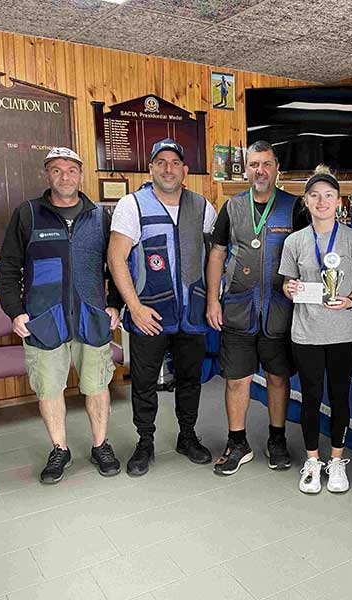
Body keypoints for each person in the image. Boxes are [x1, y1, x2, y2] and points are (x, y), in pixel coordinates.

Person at [0, 147, 123, 484]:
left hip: (91, 316)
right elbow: (8, 267)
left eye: (70, 170)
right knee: (49, 389)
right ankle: (59, 449)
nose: (64, 176)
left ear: (81, 174)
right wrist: (15, 311)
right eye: (56, 170)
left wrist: (115, 303)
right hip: (43, 319)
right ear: (47, 174)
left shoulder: (100, 216)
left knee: (96, 386)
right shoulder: (28, 215)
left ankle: (100, 445)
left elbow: (118, 265)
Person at [107, 138, 217, 477]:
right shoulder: (132, 205)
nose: (168, 168)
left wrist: (212, 299)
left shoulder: (203, 207)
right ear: (152, 168)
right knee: (143, 382)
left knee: (189, 380)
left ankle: (187, 436)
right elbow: (116, 258)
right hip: (149, 314)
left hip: (192, 314)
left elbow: (215, 256)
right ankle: (145, 442)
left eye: (174, 162)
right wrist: (134, 307)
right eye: (161, 162)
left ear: (185, 170)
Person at [205, 140, 308, 476]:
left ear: (277, 167)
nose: (260, 171)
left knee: (278, 379)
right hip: (238, 308)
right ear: (246, 169)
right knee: (237, 380)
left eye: (266, 164)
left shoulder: (295, 207)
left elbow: (309, 254)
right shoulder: (232, 207)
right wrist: (212, 300)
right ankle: (237, 442)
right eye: (254, 164)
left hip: (280, 311)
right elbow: (218, 253)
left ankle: (276, 439)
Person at [279, 166, 352, 494]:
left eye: (328, 195)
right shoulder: (294, 241)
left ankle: (337, 460)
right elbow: (286, 282)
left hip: (343, 332)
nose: (321, 201)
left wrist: (351, 301)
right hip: (306, 333)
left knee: (340, 396)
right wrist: (290, 289)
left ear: (339, 201)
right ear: (305, 201)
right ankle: (313, 460)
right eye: (314, 195)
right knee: (311, 397)